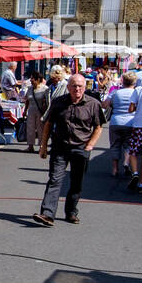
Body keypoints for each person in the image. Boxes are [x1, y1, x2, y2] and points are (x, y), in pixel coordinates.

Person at [33, 73, 103, 226]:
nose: (76, 89)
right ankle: (47, 214)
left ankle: (71, 211)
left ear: (84, 87)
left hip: (81, 148)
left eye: (79, 86)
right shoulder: (58, 102)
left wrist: (90, 144)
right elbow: (48, 125)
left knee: (76, 182)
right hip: (60, 146)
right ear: (68, 87)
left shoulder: (93, 104)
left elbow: (98, 127)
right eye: (73, 86)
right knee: (55, 179)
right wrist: (43, 146)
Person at [103, 71, 138, 178]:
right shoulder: (137, 93)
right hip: (131, 122)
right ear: (134, 82)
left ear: (123, 81)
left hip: (116, 121)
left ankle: (115, 169)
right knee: (129, 145)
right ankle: (126, 162)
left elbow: (105, 105)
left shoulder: (115, 92)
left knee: (115, 145)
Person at [23, 71, 50, 153]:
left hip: (40, 111)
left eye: (32, 78)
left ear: (38, 79)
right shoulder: (30, 88)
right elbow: (27, 99)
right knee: (30, 128)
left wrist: (47, 113)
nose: (30, 80)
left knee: (40, 129)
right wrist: (25, 110)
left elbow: (48, 102)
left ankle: (41, 146)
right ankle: (30, 146)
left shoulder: (45, 89)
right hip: (31, 110)